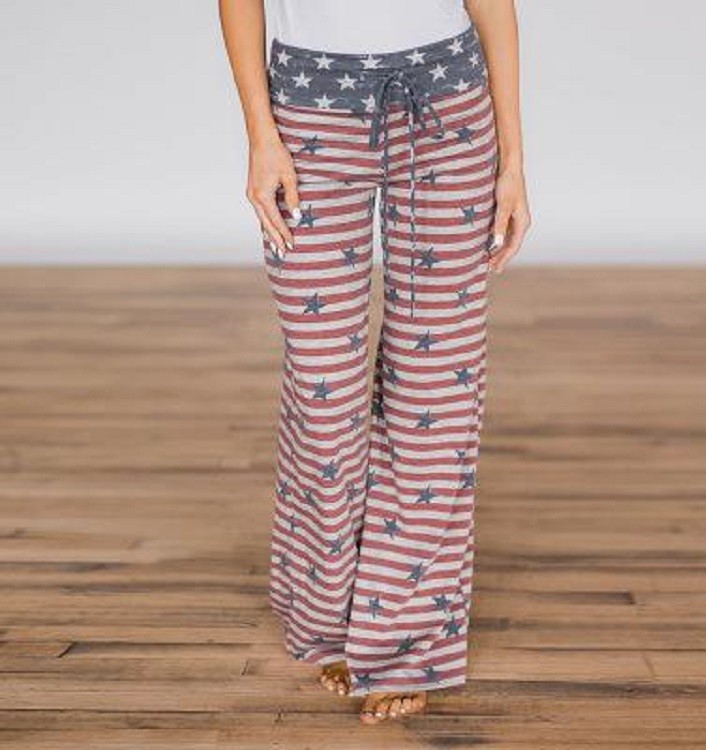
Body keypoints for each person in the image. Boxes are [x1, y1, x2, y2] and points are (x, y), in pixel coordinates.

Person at [219, 0, 530, 724]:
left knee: (437, 390)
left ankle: (402, 642)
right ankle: (328, 620)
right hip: (310, 110)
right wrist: (261, 134)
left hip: (449, 106)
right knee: (322, 389)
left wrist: (513, 161)